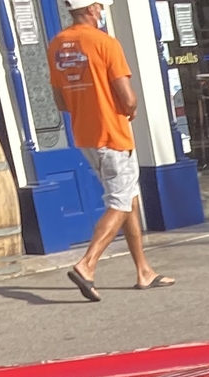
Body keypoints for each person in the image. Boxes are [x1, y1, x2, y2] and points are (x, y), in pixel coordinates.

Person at [48, 0, 172, 298]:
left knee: (129, 196)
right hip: (112, 133)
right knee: (120, 201)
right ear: (91, 9)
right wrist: (130, 109)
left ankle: (143, 270)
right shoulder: (106, 43)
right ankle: (87, 265)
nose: (101, 12)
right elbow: (128, 99)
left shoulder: (57, 45)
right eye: (100, 7)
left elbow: (60, 101)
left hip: (86, 134)